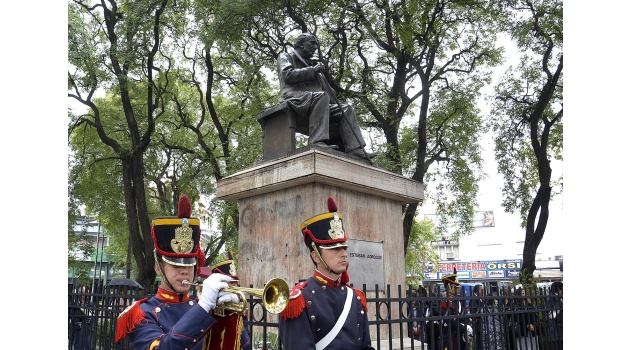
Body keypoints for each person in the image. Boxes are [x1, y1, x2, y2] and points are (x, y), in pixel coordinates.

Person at [115, 194, 241, 350]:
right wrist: (202, 308)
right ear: (158, 268)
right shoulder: (141, 313)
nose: (184, 271)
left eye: (189, 265)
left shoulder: (204, 308)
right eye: (175, 265)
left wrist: (230, 317)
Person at [278, 196, 375, 349]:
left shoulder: (355, 297)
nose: (343, 253)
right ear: (315, 255)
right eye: (335, 249)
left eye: (344, 248)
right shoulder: (298, 301)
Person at [277, 33, 376, 160]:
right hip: (292, 97)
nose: (315, 47)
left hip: (314, 100)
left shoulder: (312, 63)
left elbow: (326, 92)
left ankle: (355, 149)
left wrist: (337, 105)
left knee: (346, 109)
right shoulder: (285, 56)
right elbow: (288, 75)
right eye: (312, 43)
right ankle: (317, 142)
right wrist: (313, 70)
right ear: (301, 44)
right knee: (321, 97)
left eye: (316, 44)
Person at [204, 255, 252, 350]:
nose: (236, 285)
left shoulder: (236, 309)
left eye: (235, 282)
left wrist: (234, 314)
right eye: (231, 282)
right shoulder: (205, 308)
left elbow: (246, 345)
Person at [426, 270, 470, 350]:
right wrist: (463, 327)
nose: (459, 289)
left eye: (459, 287)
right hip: (449, 338)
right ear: (449, 287)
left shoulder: (459, 301)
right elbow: (448, 320)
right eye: (456, 287)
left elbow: (465, 315)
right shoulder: (442, 302)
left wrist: (468, 325)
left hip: (461, 337)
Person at [546, 281, 563, 350]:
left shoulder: (560, 299)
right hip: (555, 330)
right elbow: (551, 315)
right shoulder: (551, 299)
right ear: (558, 290)